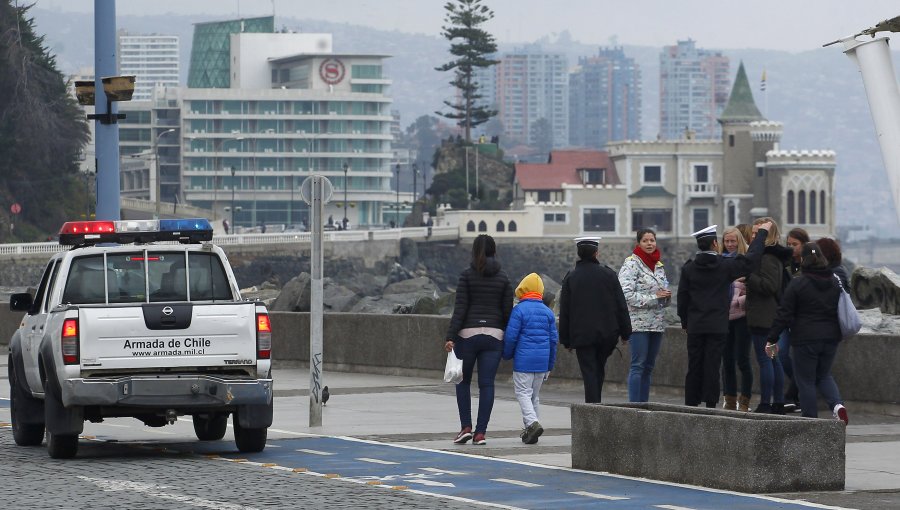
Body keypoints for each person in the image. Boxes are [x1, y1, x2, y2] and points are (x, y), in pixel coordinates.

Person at [677, 222, 770, 408]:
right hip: (717, 324)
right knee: (713, 364)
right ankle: (711, 403)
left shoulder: (689, 268)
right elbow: (751, 260)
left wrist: (685, 322)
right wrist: (761, 234)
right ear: (715, 244)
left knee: (694, 365)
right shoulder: (724, 266)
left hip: (695, 324)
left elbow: (682, 297)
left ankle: (691, 403)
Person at [766, 242, 849, 424]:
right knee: (824, 375)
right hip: (831, 337)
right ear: (821, 258)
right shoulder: (835, 281)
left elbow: (784, 313)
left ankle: (810, 421)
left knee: (805, 380)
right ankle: (837, 406)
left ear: (803, 259)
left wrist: (772, 338)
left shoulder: (798, 284)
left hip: (805, 338)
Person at [444, 234, 513, 446]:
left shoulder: (466, 275)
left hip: (468, 336)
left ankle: (466, 427)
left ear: (474, 251)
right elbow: (507, 313)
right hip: (494, 337)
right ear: (494, 250)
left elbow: (461, 309)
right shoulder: (503, 278)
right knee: (487, 385)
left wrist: (450, 336)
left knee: (462, 382)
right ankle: (481, 433)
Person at [559, 236, 632, 403]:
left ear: (579, 253)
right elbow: (621, 305)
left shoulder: (571, 277)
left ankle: (593, 407)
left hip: (582, 335)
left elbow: (565, 312)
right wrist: (626, 333)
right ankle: (596, 404)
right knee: (598, 368)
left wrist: (566, 340)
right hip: (607, 334)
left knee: (589, 371)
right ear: (596, 253)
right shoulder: (609, 274)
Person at [502, 273, 558, 445]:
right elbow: (553, 341)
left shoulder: (519, 310)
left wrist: (507, 354)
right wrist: (550, 365)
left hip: (524, 361)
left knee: (523, 393)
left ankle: (533, 424)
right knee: (534, 396)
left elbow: (511, 336)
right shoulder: (548, 312)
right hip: (542, 363)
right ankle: (531, 430)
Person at [618, 228, 671, 402]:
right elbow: (626, 295)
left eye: (652, 240)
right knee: (638, 365)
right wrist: (654, 297)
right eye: (645, 241)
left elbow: (662, 293)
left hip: (657, 323)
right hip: (638, 323)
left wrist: (665, 297)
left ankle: (644, 404)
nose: (649, 244)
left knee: (649, 367)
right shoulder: (631, 264)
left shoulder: (658, 265)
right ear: (638, 243)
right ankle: (634, 407)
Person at [745, 217, 792, 414]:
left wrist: (749, 277)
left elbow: (769, 286)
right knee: (773, 359)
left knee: (767, 360)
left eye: (758, 233)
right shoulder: (774, 257)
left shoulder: (766, 258)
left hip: (763, 316)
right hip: (767, 315)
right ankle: (778, 402)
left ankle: (767, 403)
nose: (754, 237)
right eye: (753, 233)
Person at [719, 226, 754, 412]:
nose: (730, 244)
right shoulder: (719, 262)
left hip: (741, 316)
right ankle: (729, 399)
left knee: (742, 359)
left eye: (733, 241)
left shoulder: (746, 261)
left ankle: (745, 400)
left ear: (739, 241)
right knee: (727, 361)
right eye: (727, 241)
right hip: (725, 317)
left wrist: (741, 300)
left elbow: (756, 289)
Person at [780, 227, 810, 412]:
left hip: (803, 320)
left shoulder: (811, 264)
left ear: (804, 244)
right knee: (781, 353)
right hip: (786, 318)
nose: (791, 248)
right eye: (789, 244)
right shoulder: (785, 264)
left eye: (795, 244)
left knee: (802, 359)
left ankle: (794, 394)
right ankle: (798, 386)